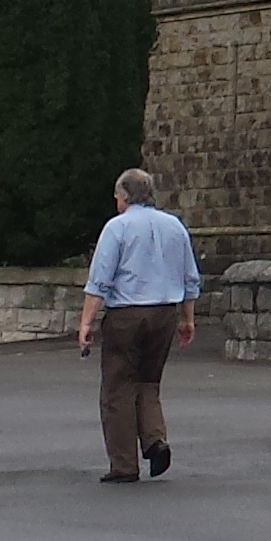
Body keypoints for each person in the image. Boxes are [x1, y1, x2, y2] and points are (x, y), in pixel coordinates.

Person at [79, 169, 202, 484]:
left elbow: (100, 280)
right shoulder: (174, 226)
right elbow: (190, 278)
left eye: (117, 196)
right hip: (165, 311)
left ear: (124, 196)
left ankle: (124, 464)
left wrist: (86, 322)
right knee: (148, 381)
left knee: (118, 387)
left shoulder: (117, 227)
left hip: (127, 312)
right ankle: (155, 439)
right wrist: (187, 318)